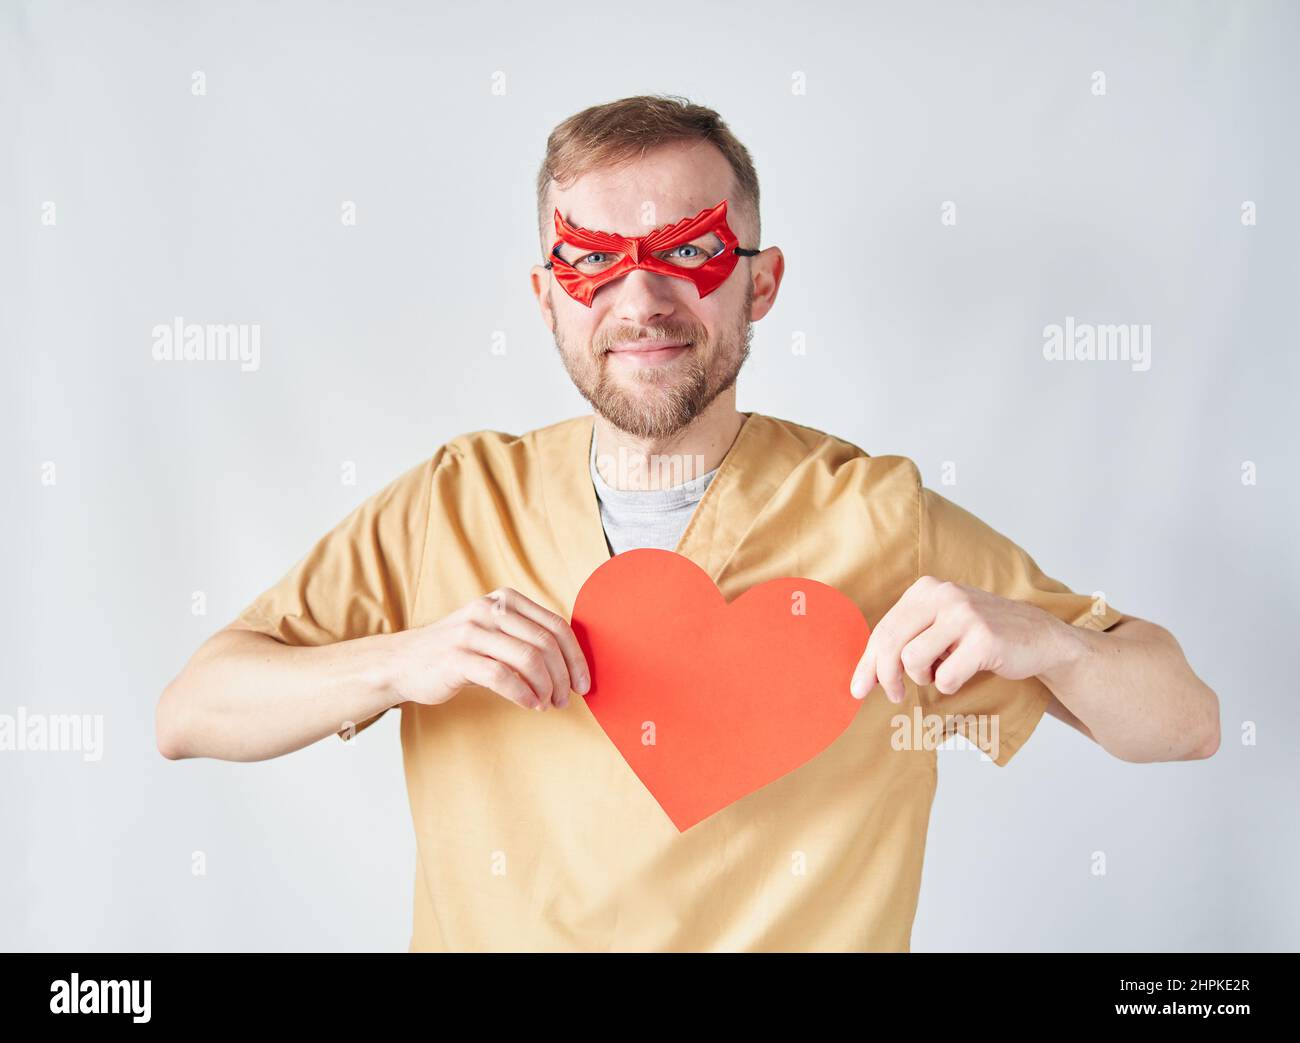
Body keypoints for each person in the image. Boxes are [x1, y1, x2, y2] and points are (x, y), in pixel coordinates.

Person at [156, 94, 1220, 952]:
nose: (642, 297)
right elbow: (191, 710)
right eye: (592, 260)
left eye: (691, 252)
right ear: (544, 297)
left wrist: (1051, 639)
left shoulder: (880, 520)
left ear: (761, 285)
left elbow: (1184, 720)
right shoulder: (449, 504)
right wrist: (399, 660)